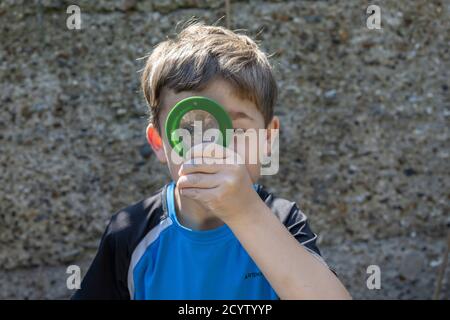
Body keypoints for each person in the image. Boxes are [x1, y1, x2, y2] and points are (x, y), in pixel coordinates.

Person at [72, 22, 351, 300]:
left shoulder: (282, 220)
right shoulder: (131, 233)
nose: (214, 146)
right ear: (159, 142)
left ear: (268, 140)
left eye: (238, 130)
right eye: (191, 128)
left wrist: (245, 211)